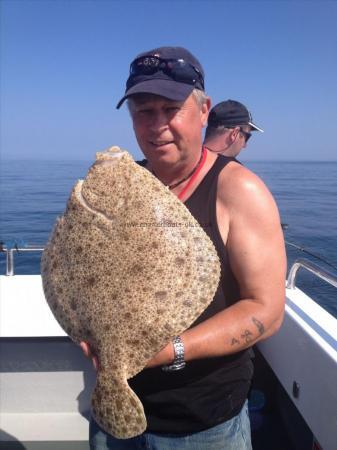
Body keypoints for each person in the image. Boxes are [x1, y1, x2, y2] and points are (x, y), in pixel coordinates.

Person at [81, 46, 286, 450]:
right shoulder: (121, 186)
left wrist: (167, 350)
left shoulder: (239, 191)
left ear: (203, 109)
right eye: (144, 111)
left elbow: (267, 310)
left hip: (203, 426)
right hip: (110, 410)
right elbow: (85, 270)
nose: (157, 125)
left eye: (170, 108)